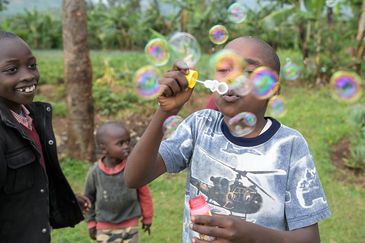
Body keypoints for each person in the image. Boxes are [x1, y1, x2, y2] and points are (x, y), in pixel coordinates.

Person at [125, 36, 331, 243]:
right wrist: (165, 111)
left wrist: (250, 236)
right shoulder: (200, 126)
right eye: (224, 70)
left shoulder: (290, 145)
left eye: (249, 72)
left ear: (273, 87)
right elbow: (134, 177)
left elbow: (309, 238)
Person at [0, 31, 91, 242]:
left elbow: (29, 181)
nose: (28, 75)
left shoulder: (31, 116)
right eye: (12, 69)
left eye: (32, 65)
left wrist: (59, 197)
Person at [84, 121, 153, 243]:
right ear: (104, 149)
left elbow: (144, 193)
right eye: (120, 143)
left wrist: (147, 217)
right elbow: (88, 199)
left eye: (127, 142)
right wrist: (91, 223)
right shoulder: (95, 173)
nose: (126, 146)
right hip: (104, 227)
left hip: (130, 226)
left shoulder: (133, 169)